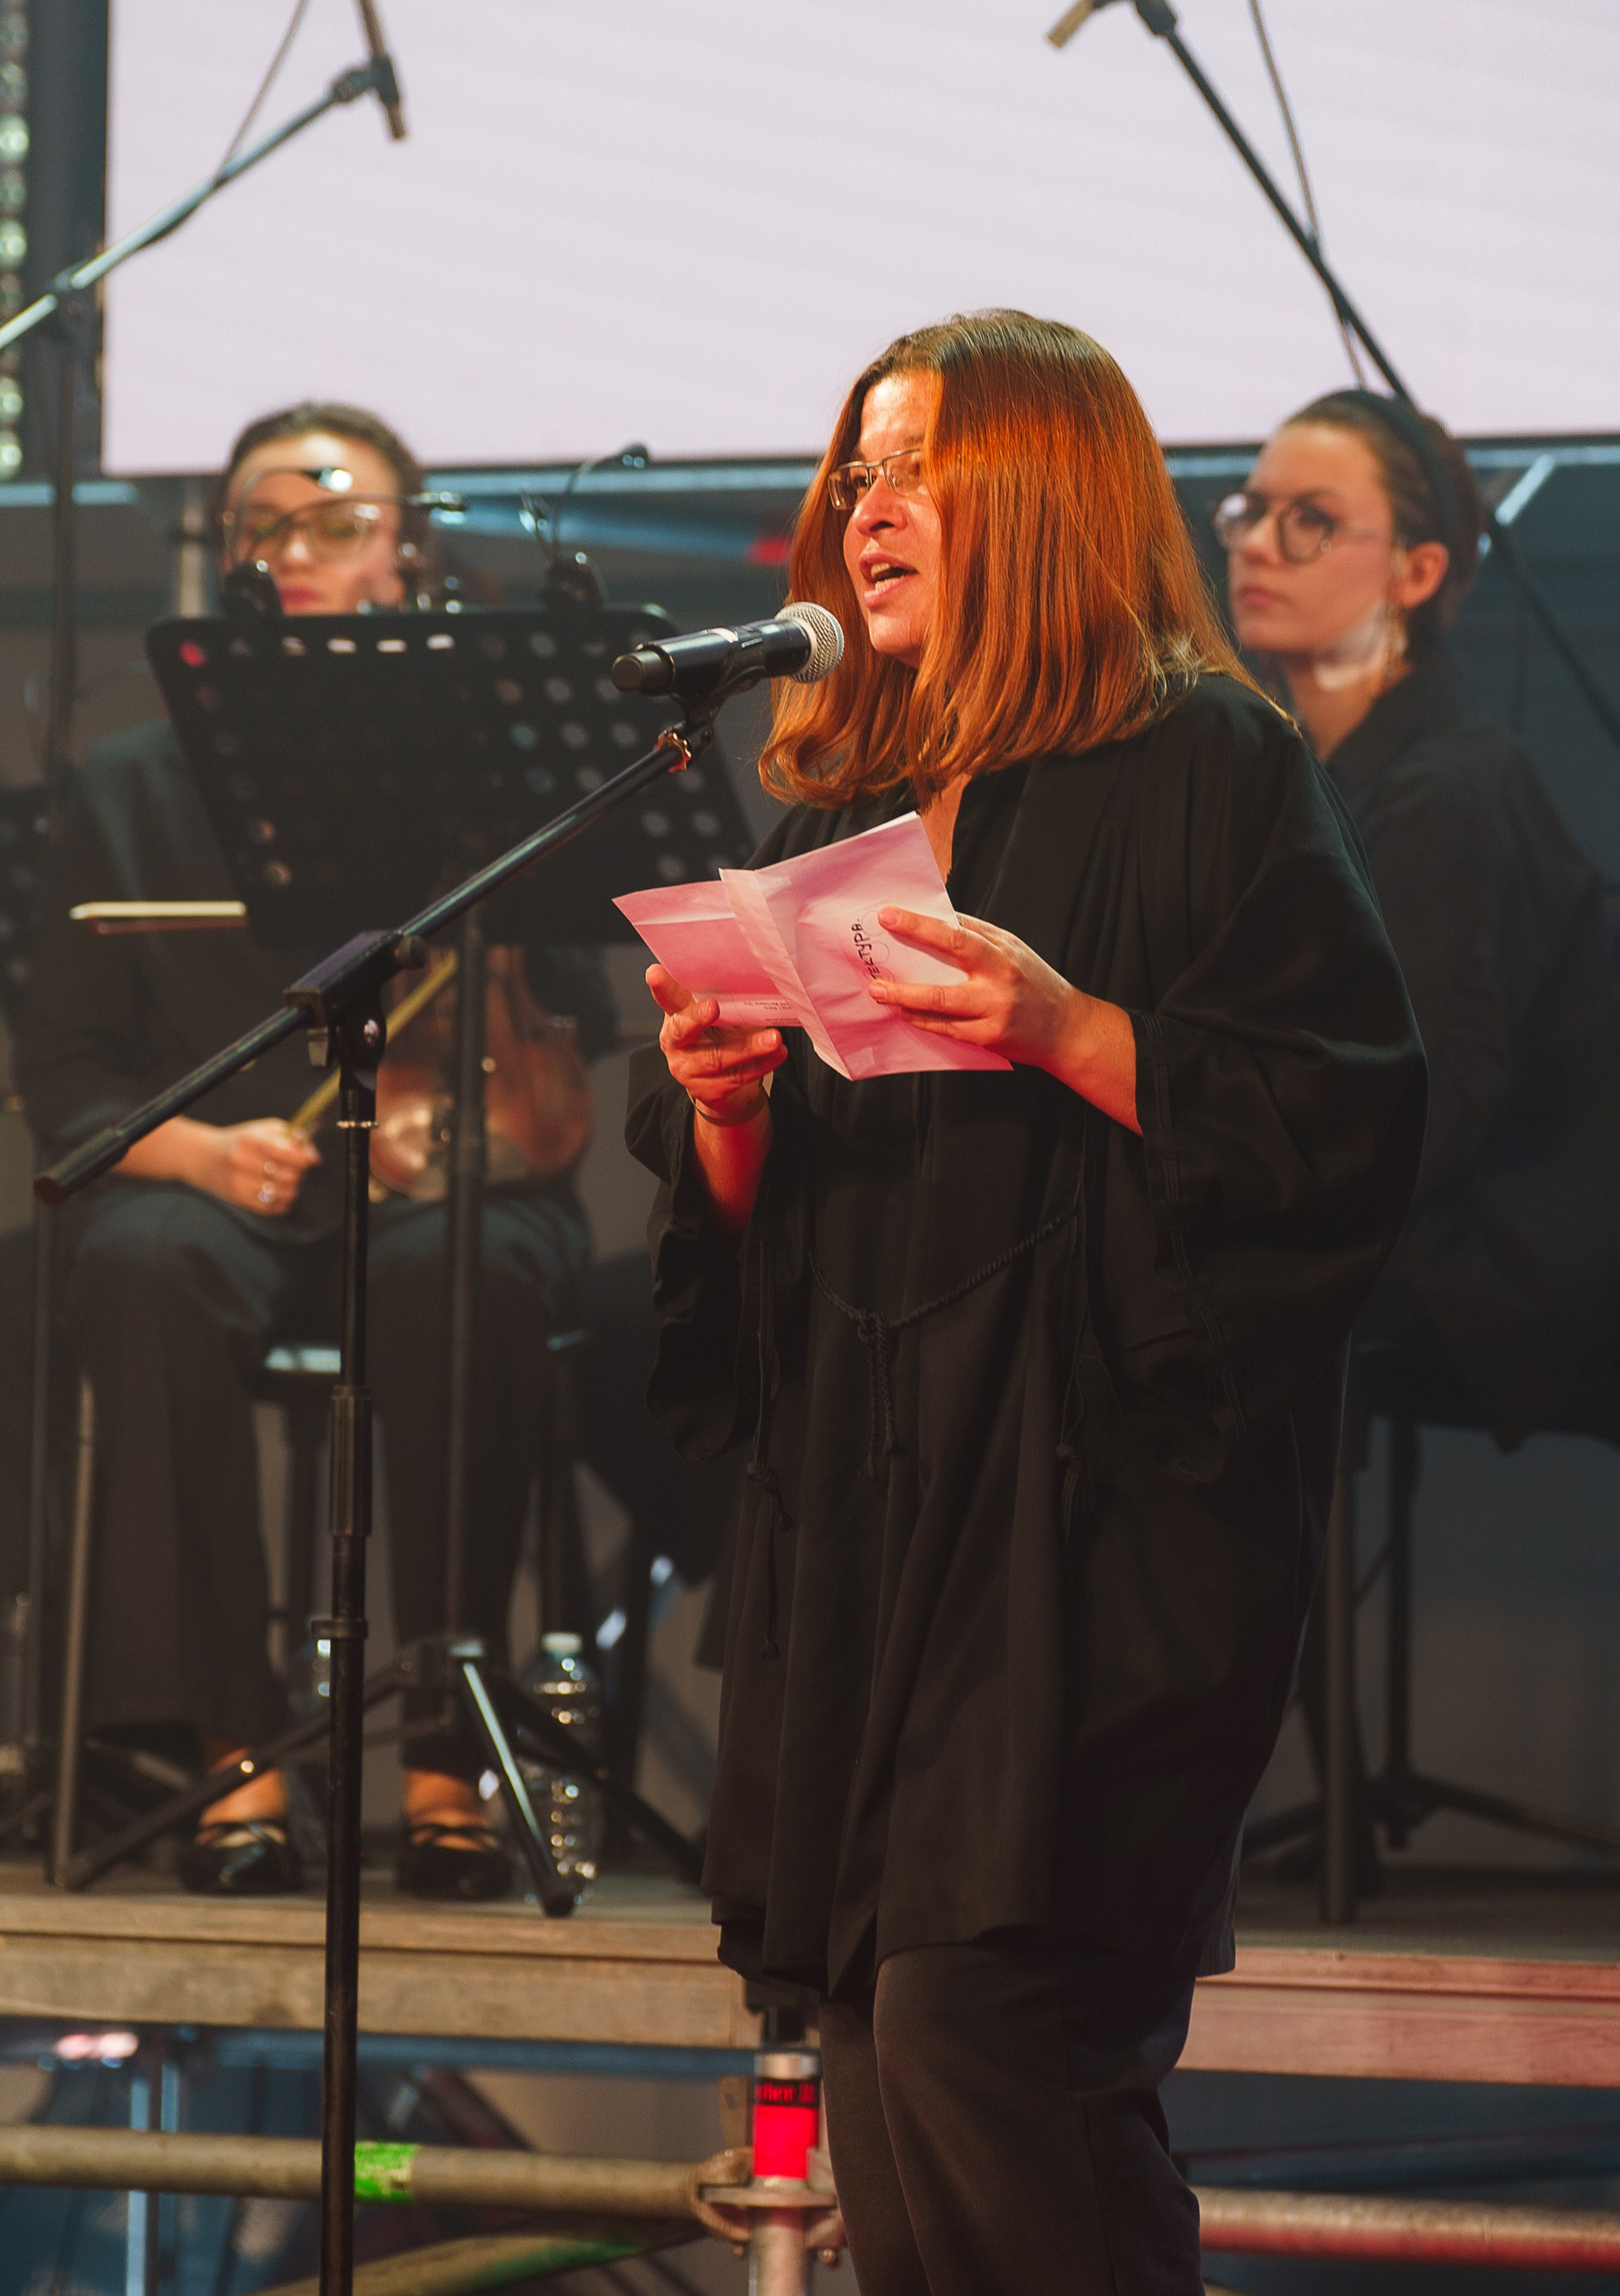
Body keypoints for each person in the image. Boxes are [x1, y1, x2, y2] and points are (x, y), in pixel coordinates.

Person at [626, 310, 1427, 2295]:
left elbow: (1341, 1122)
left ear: (1044, 495)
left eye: (917, 469)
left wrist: (1070, 1029)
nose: (867, 509)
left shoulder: (1206, 760)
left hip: (1087, 1536)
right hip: (867, 1530)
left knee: (992, 2030)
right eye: (857, 470)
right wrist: (725, 1113)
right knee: (886, 2053)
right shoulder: (842, 808)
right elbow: (758, 1251)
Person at [11, 402, 613, 1899]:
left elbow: (581, 1012)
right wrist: (196, 1153)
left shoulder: (490, 758)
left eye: (335, 522)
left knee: (467, 1268)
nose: (293, 552)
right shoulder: (131, 780)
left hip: (446, 1173)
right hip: (223, 1182)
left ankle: (448, 1766)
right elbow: (68, 1069)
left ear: (409, 554)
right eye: (262, 527)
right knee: (141, 1265)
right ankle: (237, 1762)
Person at [1216, 390, 1620, 1447]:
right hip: (1368, 1202)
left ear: (1418, 571)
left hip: (1477, 1253)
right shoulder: (1295, 770)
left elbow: (1404, 1123)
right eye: (1250, 511)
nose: (1257, 543)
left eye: (1309, 519)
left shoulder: (1452, 790)